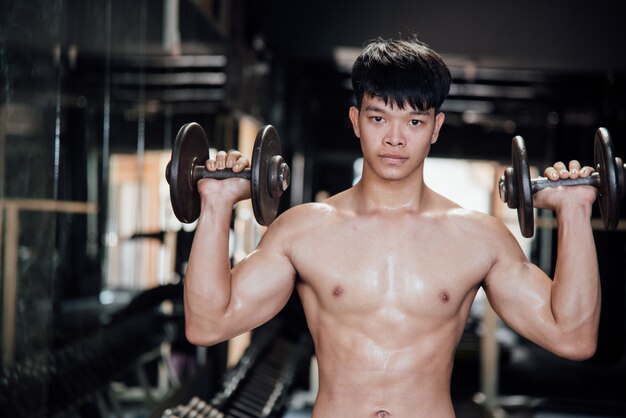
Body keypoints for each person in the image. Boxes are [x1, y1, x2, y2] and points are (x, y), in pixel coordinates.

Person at [183, 36, 600, 418]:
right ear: (355, 120)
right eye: (379, 118)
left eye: (414, 122)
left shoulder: (479, 239)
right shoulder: (303, 231)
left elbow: (572, 337)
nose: (395, 139)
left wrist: (575, 210)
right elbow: (208, 325)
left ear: (436, 127)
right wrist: (216, 204)